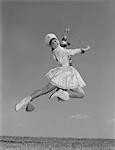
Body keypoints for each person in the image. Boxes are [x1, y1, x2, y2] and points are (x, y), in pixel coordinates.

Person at [15, 32, 90, 112]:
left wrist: (65, 34)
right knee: (44, 90)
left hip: (69, 73)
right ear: (51, 46)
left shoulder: (59, 48)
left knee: (81, 94)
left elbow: (63, 43)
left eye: (56, 40)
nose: (55, 42)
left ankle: (61, 93)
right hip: (64, 73)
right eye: (53, 42)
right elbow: (70, 51)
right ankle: (25, 100)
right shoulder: (58, 50)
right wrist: (84, 49)